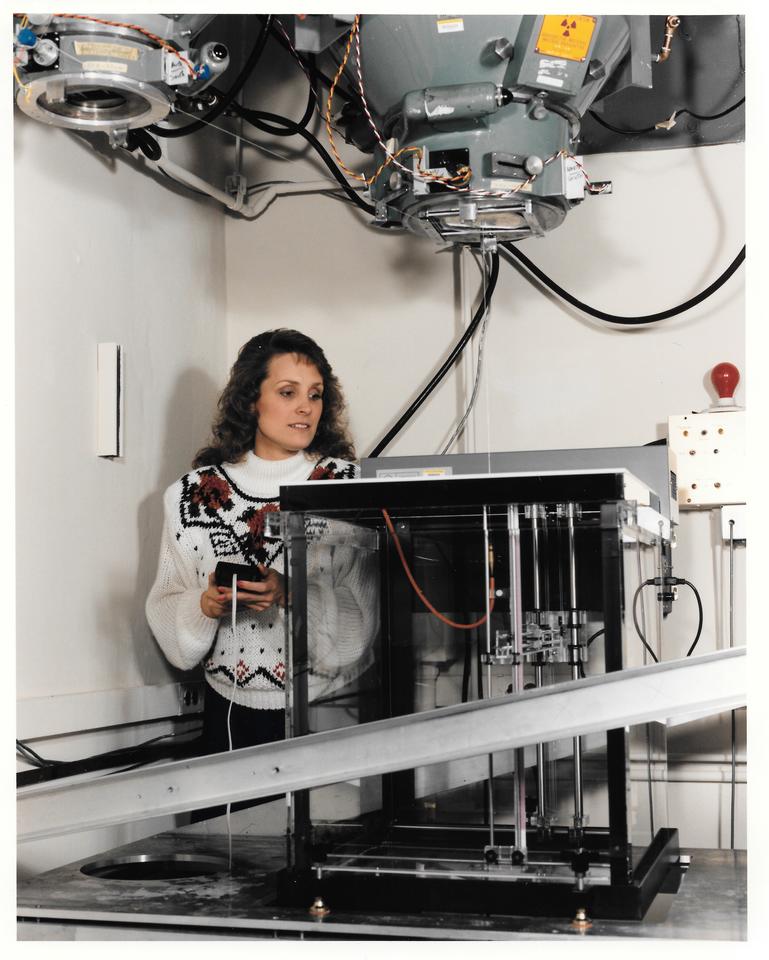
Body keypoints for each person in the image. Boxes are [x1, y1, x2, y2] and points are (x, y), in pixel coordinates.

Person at [146, 329, 373, 794]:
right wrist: (204, 605)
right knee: (230, 858)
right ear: (251, 400)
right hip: (228, 718)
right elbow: (171, 624)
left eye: (315, 395)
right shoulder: (192, 495)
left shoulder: (349, 486)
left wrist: (289, 592)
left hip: (333, 714)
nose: (306, 407)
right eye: (287, 393)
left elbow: (364, 626)